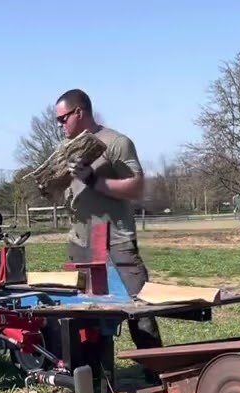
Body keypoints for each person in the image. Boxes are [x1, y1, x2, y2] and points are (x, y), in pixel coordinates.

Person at [55, 88, 163, 355]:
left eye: (63, 118)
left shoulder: (116, 143)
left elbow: (136, 189)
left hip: (116, 239)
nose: (60, 125)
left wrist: (94, 179)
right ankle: (94, 374)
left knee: (141, 309)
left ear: (79, 112)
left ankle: (155, 372)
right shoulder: (66, 150)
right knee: (85, 312)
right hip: (81, 241)